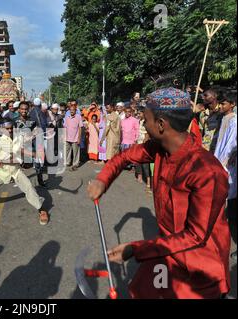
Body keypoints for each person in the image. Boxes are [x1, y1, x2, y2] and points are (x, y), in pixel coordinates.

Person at [87, 88, 231, 299]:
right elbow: (125, 157)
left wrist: (135, 249)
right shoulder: (158, 148)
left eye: (146, 120)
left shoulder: (207, 171)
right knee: (141, 291)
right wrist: (103, 179)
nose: (143, 125)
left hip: (199, 267)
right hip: (165, 251)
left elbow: (195, 237)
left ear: (161, 124)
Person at [213, 93, 237, 260]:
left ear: (233, 104)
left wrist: (225, 161)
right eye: (220, 104)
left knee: (226, 196)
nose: (220, 106)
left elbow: (232, 144)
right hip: (219, 160)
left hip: (227, 164)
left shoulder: (235, 121)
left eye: (224, 103)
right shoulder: (224, 119)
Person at [29, 98, 49, 186]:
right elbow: (44, 123)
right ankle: (40, 179)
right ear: (40, 105)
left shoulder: (30, 112)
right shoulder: (41, 112)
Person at [135, 108, 152, 192]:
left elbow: (147, 135)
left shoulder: (147, 123)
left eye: (140, 113)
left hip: (144, 144)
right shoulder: (139, 121)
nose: (138, 115)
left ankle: (148, 181)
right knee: (137, 160)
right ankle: (139, 175)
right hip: (138, 142)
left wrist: (144, 144)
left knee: (145, 163)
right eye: (138, 113)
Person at [64, 104, 84, 171]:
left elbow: (80, 128)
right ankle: (67, 162)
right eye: (70, 110)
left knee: (76, 152)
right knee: (67, 151)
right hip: (67, 137)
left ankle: (75, 164)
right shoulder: (67, 117)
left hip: (75, 138)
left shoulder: (78, 117)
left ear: (75, 110)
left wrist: (79, 138)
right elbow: (65, 127)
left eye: (73, 110)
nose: (71, 111)